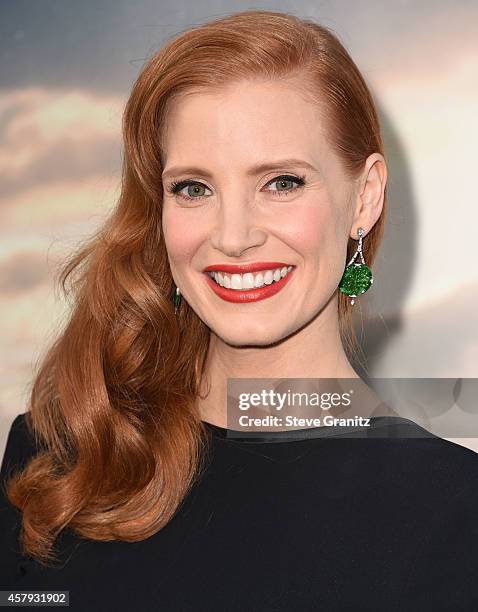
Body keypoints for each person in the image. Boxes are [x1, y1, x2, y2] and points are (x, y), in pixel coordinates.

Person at [1, 9, 478, 611]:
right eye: (193, 188)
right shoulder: (58, 460)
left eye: (281, 182)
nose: (232, 236)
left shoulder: (452, 512)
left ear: (365, 198)